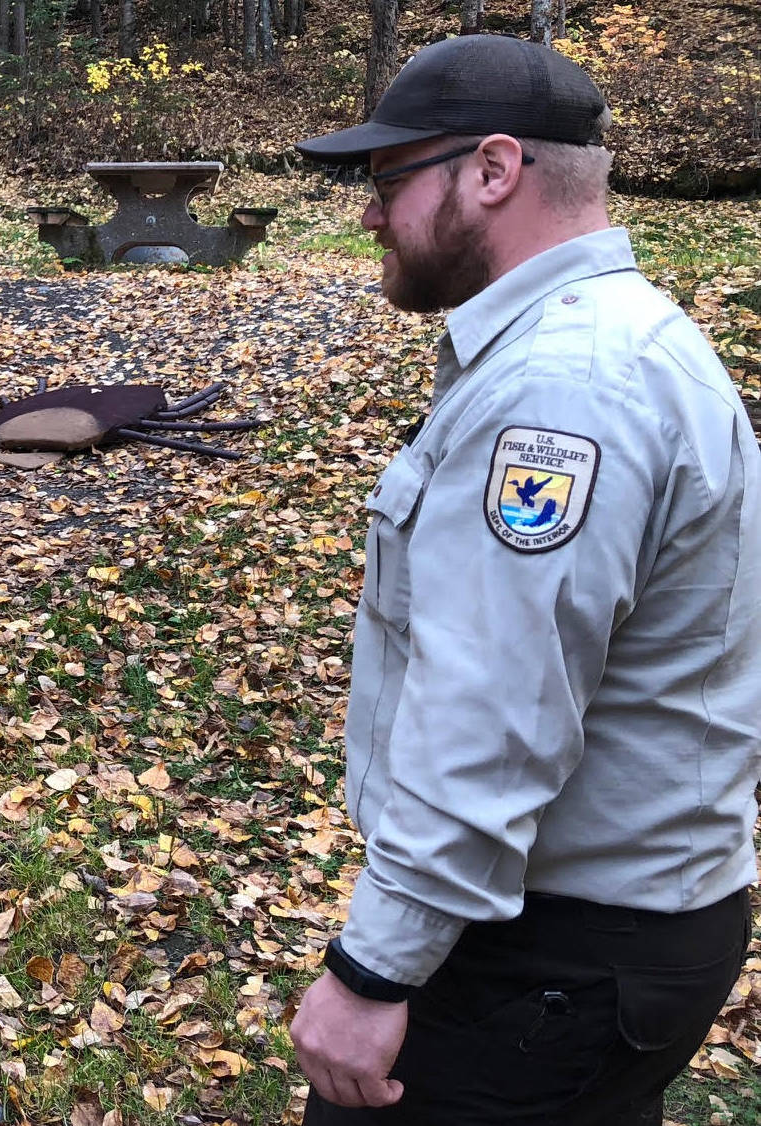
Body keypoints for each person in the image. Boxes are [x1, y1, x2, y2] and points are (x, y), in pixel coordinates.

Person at [287, 34, 761, 1125]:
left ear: (492, 171)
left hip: (545, 954)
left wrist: (373, 973)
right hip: (608, 935)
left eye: (389, 179)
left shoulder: (562, 390)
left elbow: (495, 714)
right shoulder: (617, 342)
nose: (368, 214)